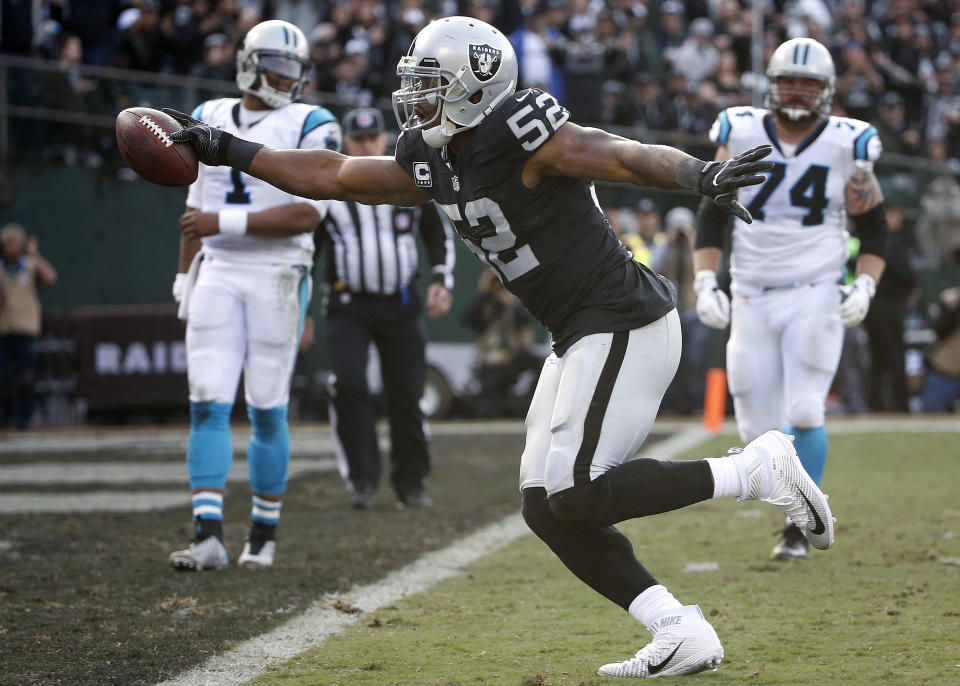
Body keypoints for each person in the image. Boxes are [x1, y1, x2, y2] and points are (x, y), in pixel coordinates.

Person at [165, 16, 835, 678]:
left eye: (431, 83)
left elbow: (617, 152)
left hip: (623, 318)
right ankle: (676, 627)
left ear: (477, 84)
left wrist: (695, 174)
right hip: (576, 331)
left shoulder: (523, 133)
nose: (416, 97)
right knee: (544, 505)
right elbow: (336, 174)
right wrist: (226, 148)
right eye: (415, 83)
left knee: (577, 490)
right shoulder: (431, 153)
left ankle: (755, 471)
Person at [693, 37, 887, 561]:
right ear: (771, 85)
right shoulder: (740, 130)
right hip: (752, 290)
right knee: (756, 428)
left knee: (804, 409)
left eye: (808, 83)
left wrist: (864, 283)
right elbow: (713, 209)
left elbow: (874, 226)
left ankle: (800, 525)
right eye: (788, 82)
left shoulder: (849, 143)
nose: (797, 91)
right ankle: (794, 505)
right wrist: (706, 280)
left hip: (815, 289)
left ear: (826, 91)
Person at [166, 19, 342, 572]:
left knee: (267, 408)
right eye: (276, 66)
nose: (285, 78)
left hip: (279, 272)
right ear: (248, 63)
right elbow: (194, 211)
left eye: (293, 69)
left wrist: (224, 221)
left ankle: (262, 536)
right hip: (216, 269)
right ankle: (208, 535)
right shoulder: (213, 115)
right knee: (208, 402)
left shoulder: (313, 121)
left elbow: (308, 213)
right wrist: (182, 274)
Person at [319, 107, 455, 511]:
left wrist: (441, 280)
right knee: (349, 386)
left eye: (371, 137)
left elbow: (439, 234)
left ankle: (411, 484)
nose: (365, 144)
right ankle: (362, 480)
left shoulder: (408, 178)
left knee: (407, 394)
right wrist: (296, 305)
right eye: (357, 139)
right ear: (345, 142)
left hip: (400, 302)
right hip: (348, 304)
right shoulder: (330, 189)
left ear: (382, 138)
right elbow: (307, 249)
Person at [461, 268, 542, 418]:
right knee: (488, 404)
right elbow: (466, 319)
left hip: (513, 356)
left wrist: (511, 304)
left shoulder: (514, 305)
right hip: (492, 361)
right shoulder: (485, 306)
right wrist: (483, 292)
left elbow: (527, 319)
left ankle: (536, 400)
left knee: (543, 363)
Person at [0, 223, 57, 429]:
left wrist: (34, 254)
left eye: (16, 243)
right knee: (4, 380)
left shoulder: (29, 265)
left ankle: (24, 421)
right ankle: (5, 421)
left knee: (26, 379)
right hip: (3, 330)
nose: (12, 247)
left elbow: (50, 278)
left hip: (26, 330)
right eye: (8, 243)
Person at [920, 286, 960, 412]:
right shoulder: (951, 300)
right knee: (930, 411)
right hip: (945, 373)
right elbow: (940, 330)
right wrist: (951, 308)